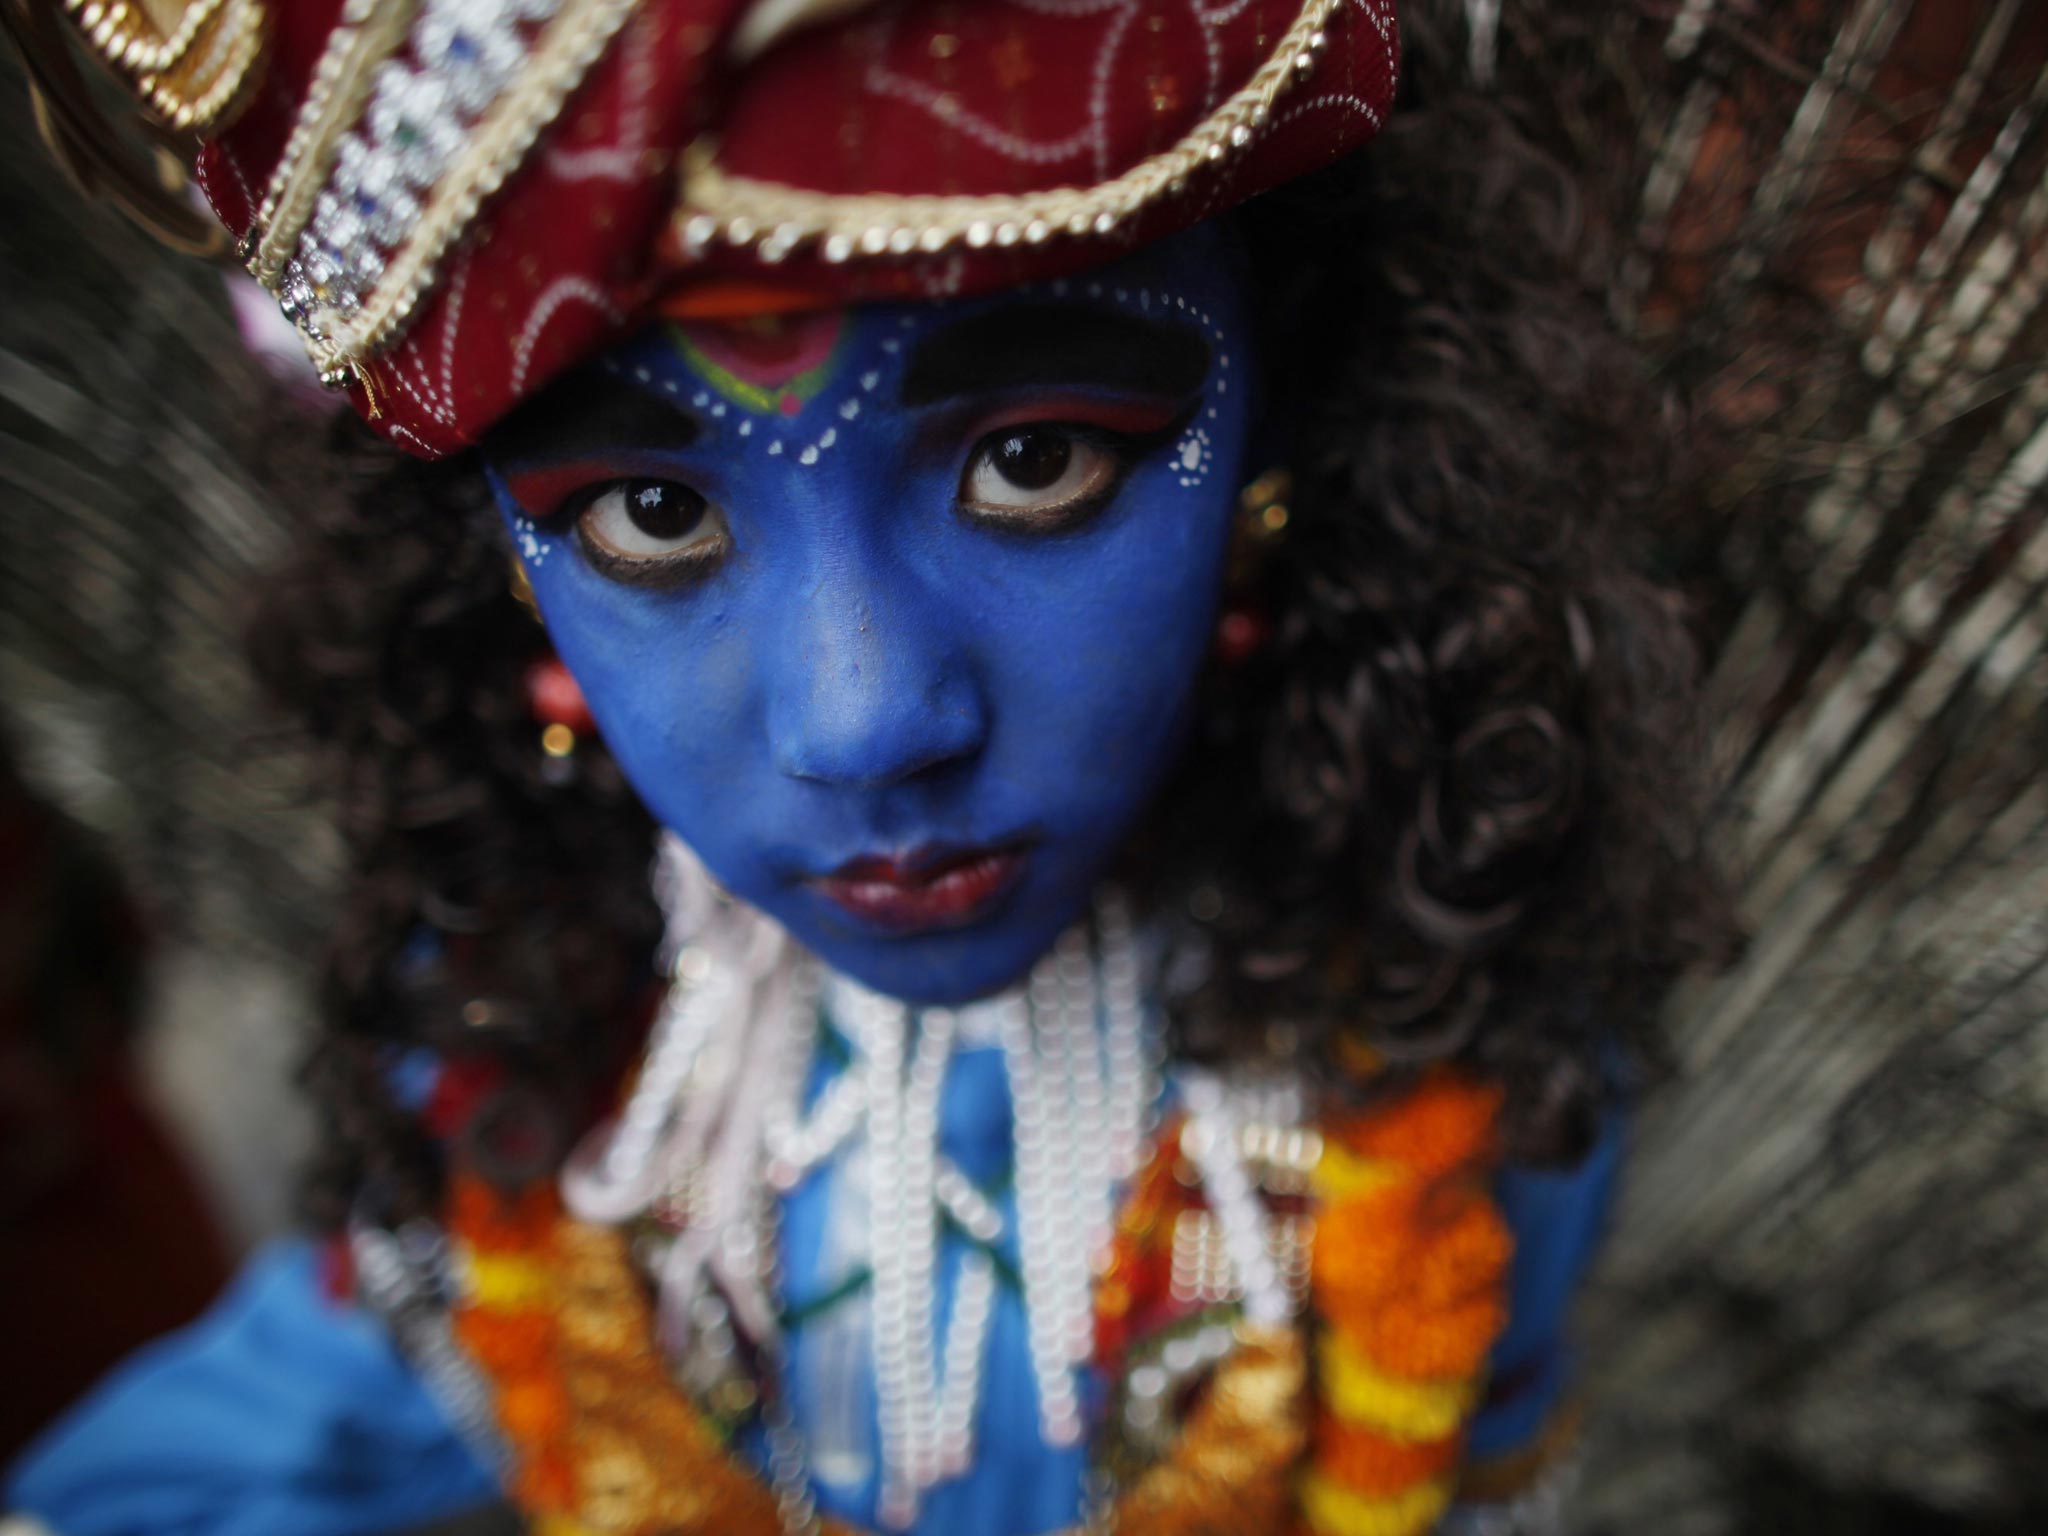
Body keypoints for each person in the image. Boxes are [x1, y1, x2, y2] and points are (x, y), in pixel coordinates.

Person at [4, 2, 1729, 1533]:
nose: (869, 721)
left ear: (1287, 427)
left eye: (1040, 462)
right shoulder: (544, 1059)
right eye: (653, 511)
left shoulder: (1468, 1062)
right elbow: (275, 1426)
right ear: (489, 564)